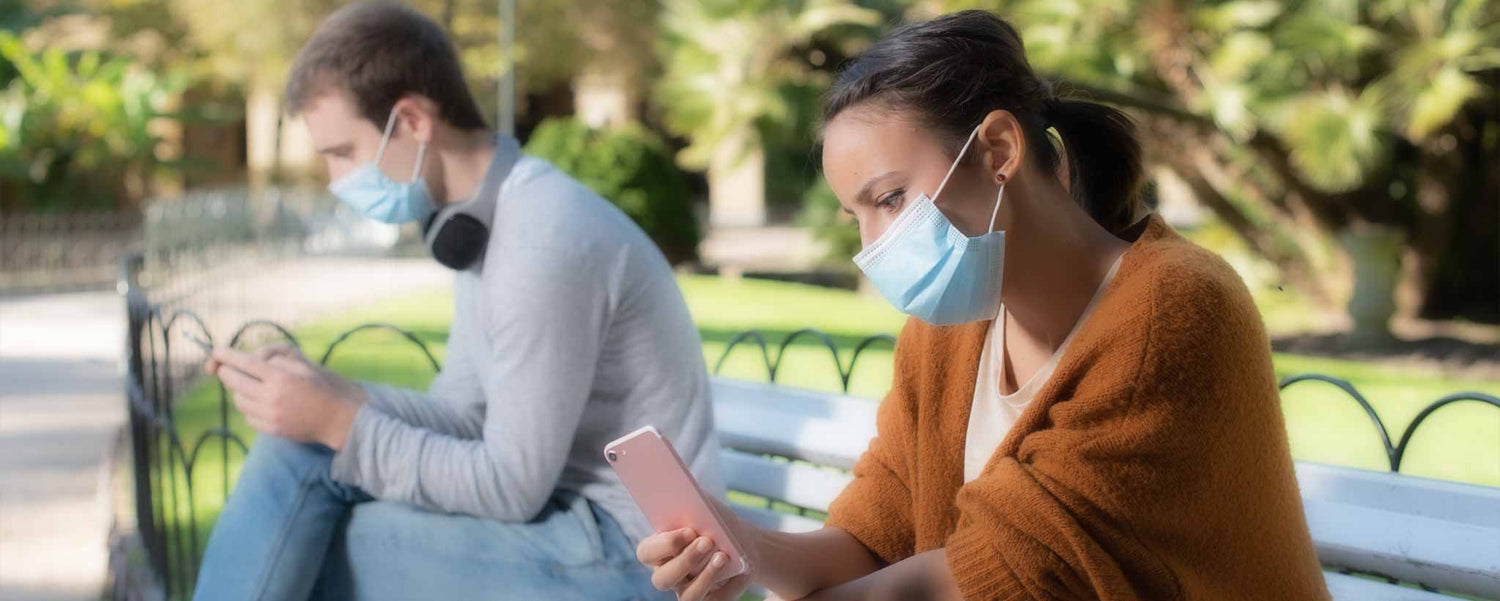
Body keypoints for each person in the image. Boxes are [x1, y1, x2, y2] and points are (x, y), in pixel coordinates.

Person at [637, 10, 1329, 601]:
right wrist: (744, 550)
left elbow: (1002, 572)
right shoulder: (944, 335)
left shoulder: (1174, 309)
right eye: (858, 218)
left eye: (889, 199)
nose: (876, 244)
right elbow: (874, 536)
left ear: (998, 149)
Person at [192, 3, 712, 599]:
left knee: (329, 538)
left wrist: (340, 423)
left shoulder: (541, 239)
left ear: (411, 120)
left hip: (639, 554)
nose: (337, 181)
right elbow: (467, 419)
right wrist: (330, 398)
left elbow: (510, 485)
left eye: (342, 153)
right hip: (566, 521)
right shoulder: (488, 222)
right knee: (295, 449)